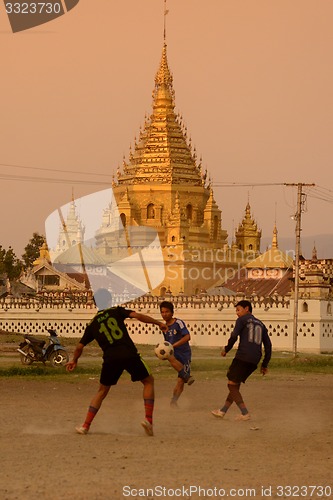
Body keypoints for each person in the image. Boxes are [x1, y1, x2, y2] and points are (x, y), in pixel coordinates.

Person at [66, 288, 167, 437]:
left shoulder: (92, 324)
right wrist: (158, 323)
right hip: (128, 354)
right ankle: (148, 420)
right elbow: (138, 316)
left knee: (102, 391)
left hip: (110, 359)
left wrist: (74, 360)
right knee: (148, 381)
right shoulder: (116, 311)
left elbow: (80, 346)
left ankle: (85, 426)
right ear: (109, 301)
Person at [211, 300, 272, 421]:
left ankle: (245, 413)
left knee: (231, 384)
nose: (237, 313)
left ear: (247, 308)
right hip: (255, 359)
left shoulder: (242, 320)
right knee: (235, 383)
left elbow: (234, 336)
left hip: (243, 356)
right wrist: (264, 364)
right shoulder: (261, 324)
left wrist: (226, 349)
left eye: (238, 310)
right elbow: (268, 346)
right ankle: (222, 411)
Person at [159, 300, 194, 407]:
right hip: (173, 353)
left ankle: (173, 401)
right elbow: (167, 344)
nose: (164, 314)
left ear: (172, 312)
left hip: (184, 354)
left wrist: (173, 346)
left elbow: (187, 337)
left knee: (180, 381)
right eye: (162, 312)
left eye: (167, 312)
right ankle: (186, 376)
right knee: (171, 358)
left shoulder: (178, 323)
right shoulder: (164, 327)